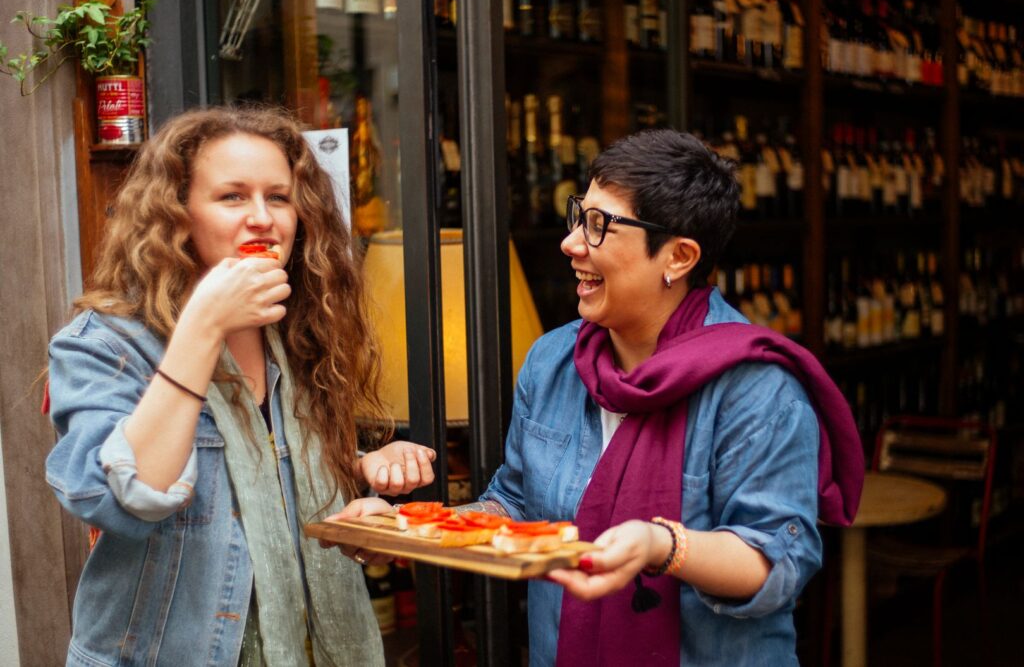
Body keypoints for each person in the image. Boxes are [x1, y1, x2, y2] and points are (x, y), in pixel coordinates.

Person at [45, 105, 435, 666]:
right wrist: (203, 325)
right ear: (177, 212)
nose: (262, 218)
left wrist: (355, 474)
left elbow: (263, 470)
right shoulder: (106, 342)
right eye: (232, 197)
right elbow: (127, 499)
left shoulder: (298, 329)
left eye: (278, 197)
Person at [472, 130, 864, 666]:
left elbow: (778, 562)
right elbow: (514, 505)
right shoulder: (552, 362)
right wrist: (402, 527)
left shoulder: (755, 388)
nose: (570, 243)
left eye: (598, 225)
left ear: (678, 257)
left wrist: (664, 546)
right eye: (577, 215)